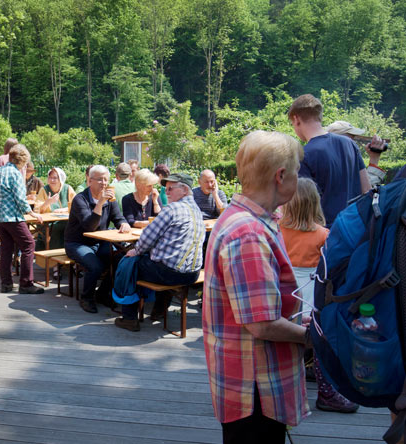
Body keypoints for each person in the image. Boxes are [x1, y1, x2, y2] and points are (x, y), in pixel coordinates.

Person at [203, 131, 310, 443]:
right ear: (280, 176)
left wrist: (293, 320)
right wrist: (313, 337)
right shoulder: (248, 233)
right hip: (254, 388)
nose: (298, 177)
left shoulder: (244, 219)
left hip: (248, 380)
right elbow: (261, 323)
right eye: (297, 171)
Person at [279, 177, 359, 413]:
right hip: (312, 295)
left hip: (286, 291)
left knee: (286, 341)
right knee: (320, 341)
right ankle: (327, 392)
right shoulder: (324, 234)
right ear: (315, 203)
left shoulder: (276, 230)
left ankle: (286, 389)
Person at [114, 173, 204, 331]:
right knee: (163, 260)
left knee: (129, 263)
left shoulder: (173, 209)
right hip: (193, 273)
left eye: (170, 188)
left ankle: (129, 318)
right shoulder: (197, 209)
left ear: (184, 190)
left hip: (170, 273)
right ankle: (158, 310)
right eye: (166, 189)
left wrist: (136, 250)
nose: (166, 192)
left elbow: (147, 238)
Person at [288, 94, 370, 226]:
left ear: (296, 119)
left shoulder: (304, 155)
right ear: (319, 116)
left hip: (327, 233)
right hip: (355, 227)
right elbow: (366, 189)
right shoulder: (349, 143)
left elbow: (303, 209)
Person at [64, 165, 131, 314]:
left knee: (120, 259)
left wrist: (124, 223)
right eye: (100, 179)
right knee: (95, 266)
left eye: (106, 179)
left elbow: (118, 217)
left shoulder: (110, 199)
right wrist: (100, 203)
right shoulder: (80, 199)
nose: (104, 183)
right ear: (89, 181)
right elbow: (89, 226)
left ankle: (102, 293)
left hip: (99, 241)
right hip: (77, 243)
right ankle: (86, 298)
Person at [0, 144, 44, 294]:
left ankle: (6, 284)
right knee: (28, 245)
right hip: (11, 216)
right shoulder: (15, 173)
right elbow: (20, 198)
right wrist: (32, 213)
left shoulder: (0, 171)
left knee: (6, 248)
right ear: (21, 161)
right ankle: (26, 284)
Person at [325, 120, 388, 187]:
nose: (353, 144)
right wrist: (374, 158)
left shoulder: (329, 158)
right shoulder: (337, 163)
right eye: (350, 141)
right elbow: (364, 190)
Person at [34, 167, 76, 250]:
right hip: (49, 222)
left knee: (73, 227)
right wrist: (47, 203)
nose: (52, 180)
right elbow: (37, 210)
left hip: (67, 220)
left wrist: (64, 209)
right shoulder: (44, 190)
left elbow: (76, 205)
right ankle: (53, 257)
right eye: (50, 177)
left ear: (60, 179)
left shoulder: (68, 189)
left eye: (55, 178)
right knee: (55, 228)